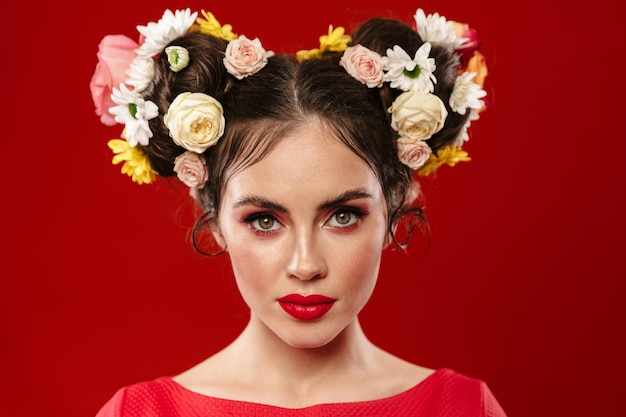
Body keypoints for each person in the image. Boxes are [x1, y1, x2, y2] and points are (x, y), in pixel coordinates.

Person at [90, 6, 503, 416]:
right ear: (213, 216)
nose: (305, 266)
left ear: (396, 201)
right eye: (264, 220)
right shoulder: (142, 412)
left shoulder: (462, 408)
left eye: (343, 215)